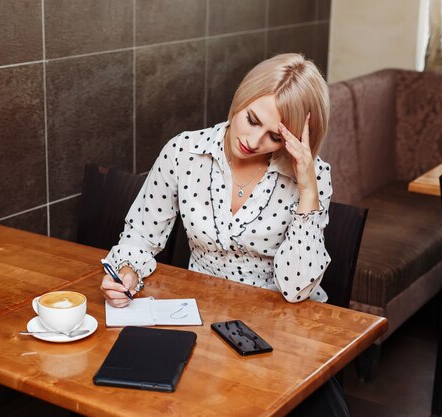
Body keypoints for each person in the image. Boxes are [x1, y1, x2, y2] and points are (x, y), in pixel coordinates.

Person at [100, 53, 349, 417]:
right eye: (251, 119)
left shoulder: (311, 177)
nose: (253, 140)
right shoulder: (184, 152)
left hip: (281, 335)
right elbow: (139, 236)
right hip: (200, 323)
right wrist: (127, 273)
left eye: (275, 137)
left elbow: (297, 289)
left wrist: (308, 189)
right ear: (241, 97)